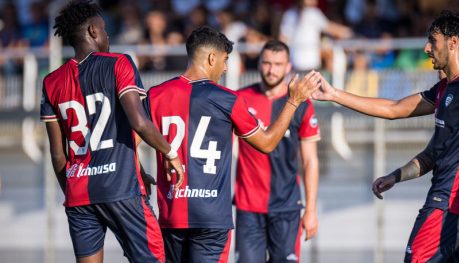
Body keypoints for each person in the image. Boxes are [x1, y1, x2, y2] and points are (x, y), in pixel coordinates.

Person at [312, 10, 459, 262]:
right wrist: (335, 95)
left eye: (432, 40)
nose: (427, 48)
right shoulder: (445, 89)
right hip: (456, 206)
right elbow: (394, 109)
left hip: (449, 204)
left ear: (454, 43)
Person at [143, 27, 321, 263]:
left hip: (171, 214)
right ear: (211, 58)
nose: (226, 68)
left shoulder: (155, 94)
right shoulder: (230, 99)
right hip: (213, 218)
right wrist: (293, 101)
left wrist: (141, 174)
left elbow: (129, 142)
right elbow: (267, 143)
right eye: (225, 60)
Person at [40, 1, 184, 262]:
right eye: (104, 30)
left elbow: (58, 156)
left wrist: (74, 191)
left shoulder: (50, 82)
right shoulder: (119, 63)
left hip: (79, 193)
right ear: (94, 31)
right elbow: (138, 123)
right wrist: (170, 152)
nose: (107, 35)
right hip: (122, 190)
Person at [234, 40, 321, 263]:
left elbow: (310, 160)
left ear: (288, 66)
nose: (271, 70)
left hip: (287, 206)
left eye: (277, 64)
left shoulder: (301, 104)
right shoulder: (239, 99)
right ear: (259, 64)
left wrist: (310, 210)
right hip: (248, 205)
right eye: (266, 63)